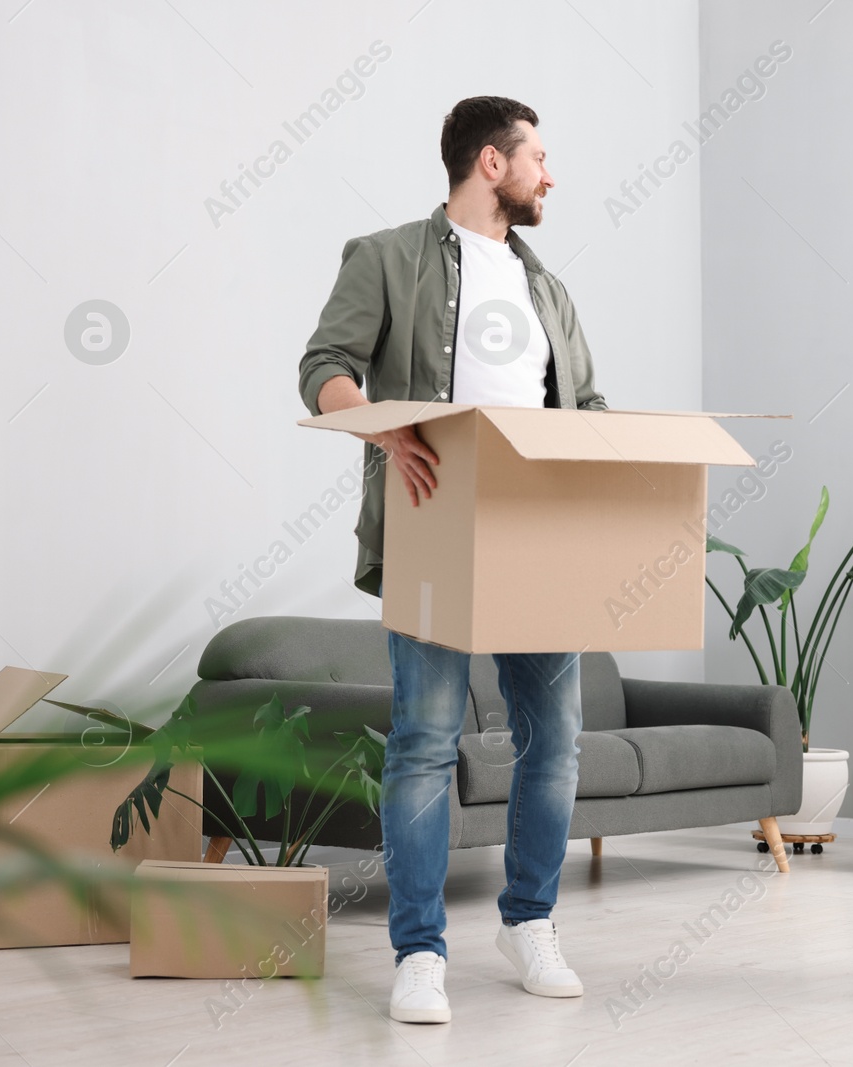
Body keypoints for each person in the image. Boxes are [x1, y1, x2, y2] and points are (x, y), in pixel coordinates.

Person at [298, 96, 608, 1024]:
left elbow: (586, 406)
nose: (550, 175)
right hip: (434, 526)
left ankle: (530, 920)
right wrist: (390, 433)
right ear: (490, 162)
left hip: (538, 536)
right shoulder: (386, 255)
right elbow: (324, 366)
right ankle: (420, 949)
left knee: (554, 739)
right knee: (426, 740)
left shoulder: (548, 287)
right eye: (539, 157)